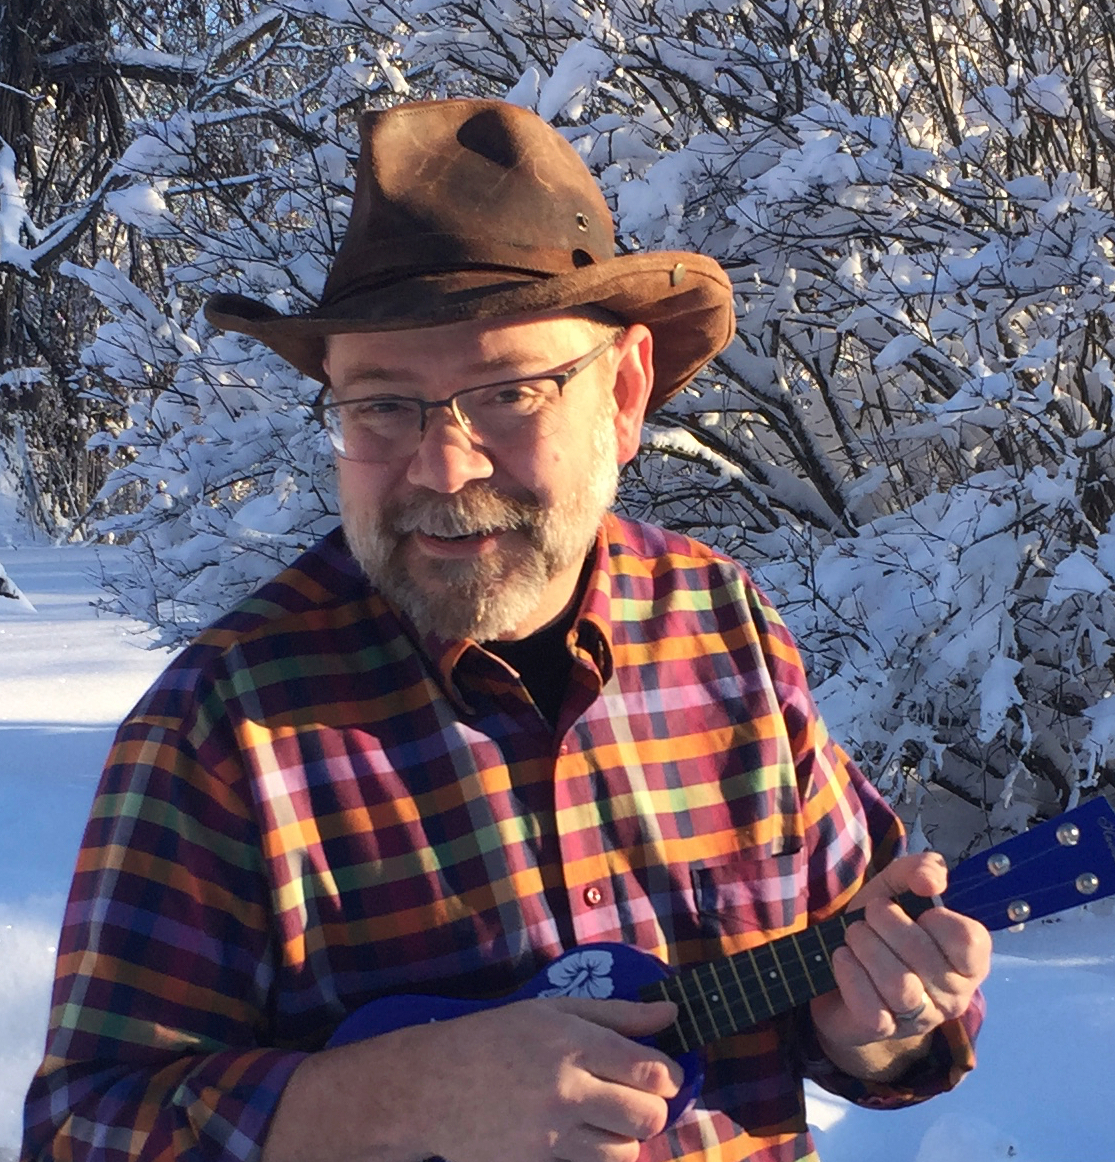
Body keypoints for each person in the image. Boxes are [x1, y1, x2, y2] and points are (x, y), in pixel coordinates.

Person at [21, 98, 989, 1162]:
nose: (444, 468)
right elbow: (82, 1130)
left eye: (507, 393)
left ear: (621, 394)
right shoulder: (226, 725)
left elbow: (860, 953)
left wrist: (882, 1029)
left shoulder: (723, 628)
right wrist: (386, 1102)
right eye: (383, 405)